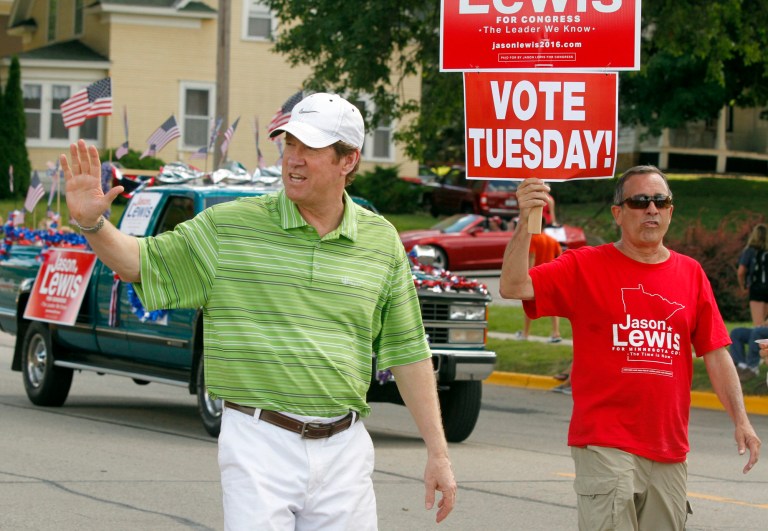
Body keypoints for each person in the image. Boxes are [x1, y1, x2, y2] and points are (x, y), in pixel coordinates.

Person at [60, 92, 456, 529]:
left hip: (346, 448)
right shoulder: (228, 227)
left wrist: (437, 452)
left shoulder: (381, 242)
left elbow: (408, 351)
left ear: (349, 160)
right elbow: (139, 262)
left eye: (311, 148)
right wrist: (92, 224)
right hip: (258, 440)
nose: (294, 159)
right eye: (289, 144)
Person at [500, 166, 761, 530]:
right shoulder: (584, 266)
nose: (651, 209)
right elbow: (514, 286)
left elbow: (716, 352)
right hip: (605, 444)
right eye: (639, 201)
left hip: (669, 449)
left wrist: (741, 420)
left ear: (671, 211)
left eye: (661, 200)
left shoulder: (691, 274)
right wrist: (526, 219)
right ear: (618, 214)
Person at [516, 226, 562, 342]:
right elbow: (560, 257)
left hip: (537, 276)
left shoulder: (533, 239)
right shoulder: (552, 240)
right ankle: (556, 333)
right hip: (551, 276)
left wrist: (527, 275)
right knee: (554, 305)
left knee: (530, 304)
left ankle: (525, 333)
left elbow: (532, 256)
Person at [737, 223, 768, 327]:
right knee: (766, 325)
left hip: (756, 288)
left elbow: (741, 272)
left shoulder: (749, 251)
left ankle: (758, 343)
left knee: (758, 325)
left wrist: (743, 287)